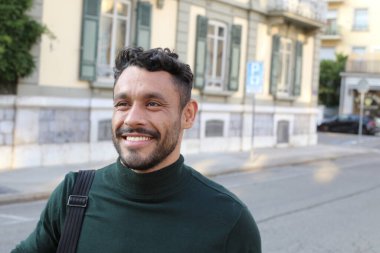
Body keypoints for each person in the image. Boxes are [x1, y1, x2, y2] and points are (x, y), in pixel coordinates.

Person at [12, 47, 261, 253]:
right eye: (123, 103)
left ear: (188, 115)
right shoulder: (74, 194)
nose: (132, 119)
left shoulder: (229, 220)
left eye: (152, 104)